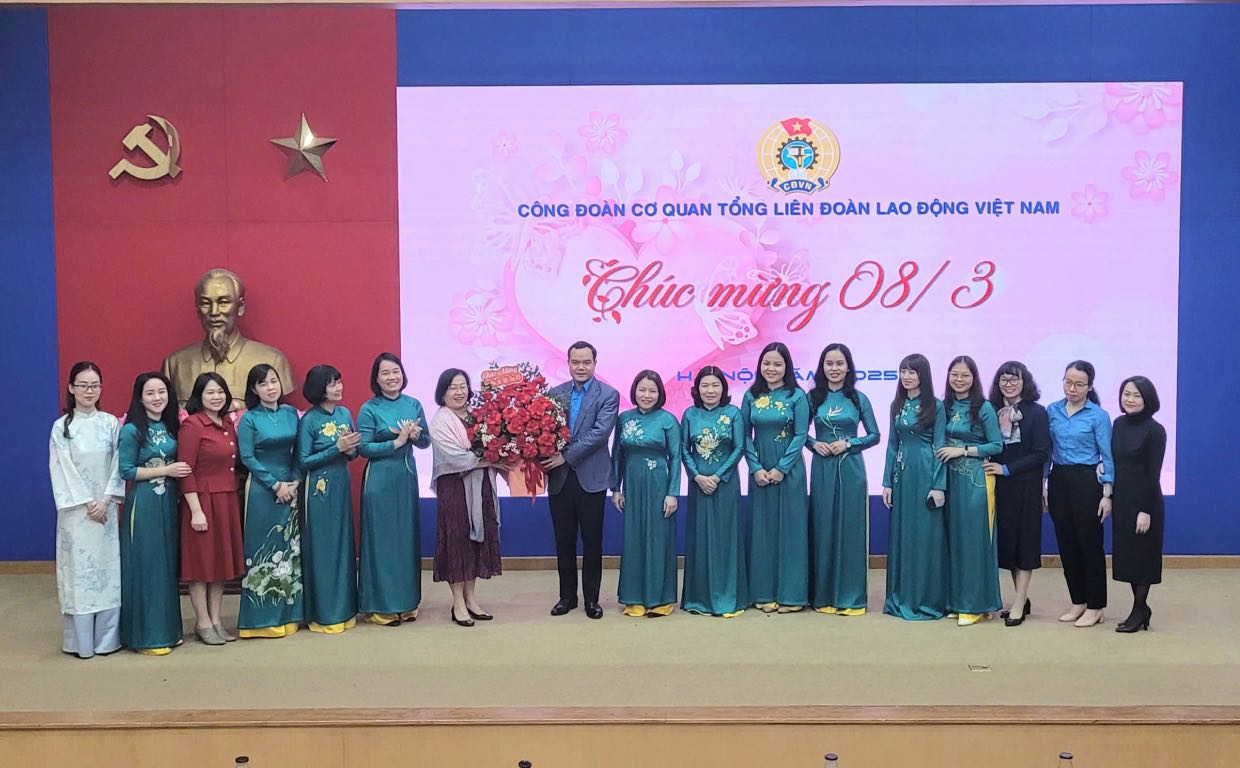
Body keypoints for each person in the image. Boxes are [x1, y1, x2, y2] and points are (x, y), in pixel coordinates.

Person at [48, 362, 125, 659]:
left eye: (94, 385)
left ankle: (107, 640)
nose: (89, 391)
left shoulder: (110, 423)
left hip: (104, 511)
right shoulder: (62, 427)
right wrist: (86, 503)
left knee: (107, 570)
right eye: (83, 385)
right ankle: (80, 642)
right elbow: (62, 469)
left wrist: (105, 500)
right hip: (76, 514)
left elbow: (119, 463)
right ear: (71, 388)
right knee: (79, 573)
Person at [543, 341, 620, 620]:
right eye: (576, 362)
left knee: (592, 542)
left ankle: (592, 600)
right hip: (560, 479)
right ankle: (567, 597)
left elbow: (600, 433)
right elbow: (545, 431)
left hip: (592, 478)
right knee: (563, 541)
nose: (581, 367)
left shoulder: (608, 394)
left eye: (586, 362)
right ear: (568, 363)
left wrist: (566, 456)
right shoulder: (555, 394)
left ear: (595, 364)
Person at [806, 343, 880, 616]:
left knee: (850, 530)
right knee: (823, 527)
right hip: (822, 468)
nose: (834, 369)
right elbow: (800, 433)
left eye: (839, 364)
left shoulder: (858, 398)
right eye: (829, 363)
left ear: (848, 367)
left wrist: (849, 443)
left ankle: (851, 597)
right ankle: (823, 595)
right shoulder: (812, 398)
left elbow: (874, 435)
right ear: (822, 367)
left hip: (851, 469)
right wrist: (814, 444)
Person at [118, 372, 189, 655]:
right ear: (140, 397)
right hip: (145, 504)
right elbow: (126, 470)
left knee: (167, 567)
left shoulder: (172, 426)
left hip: (169, 502)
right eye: (150, 393)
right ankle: (146, 636)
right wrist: (166, 471)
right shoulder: (133, 429)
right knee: (148, 567)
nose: (157, 398)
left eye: (162, 391)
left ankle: (169, 631)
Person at [357, 353, 430, 626]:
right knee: (383, 542)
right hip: (379, 481)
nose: (392, 377)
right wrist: (397, 442)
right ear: (376, 379)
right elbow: (362, 447)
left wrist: (415, 436)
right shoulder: (369, 409)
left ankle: (407, 603)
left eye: (395, 371)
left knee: (405, 540)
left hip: (406, 479)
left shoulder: (413, 404)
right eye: (385, 373)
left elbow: (425, 442)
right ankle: (382, 606)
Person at [429, 369, 504, 627]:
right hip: (454, 488)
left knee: (476, 541)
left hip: (480, 486)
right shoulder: (440, 422)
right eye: (452, 387)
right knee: (458, 542)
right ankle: (457, 603)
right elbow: (456, 458)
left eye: (462, 386)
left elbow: (494, 444)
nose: (459, 392)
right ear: (443, 392)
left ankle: (471, 599)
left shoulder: (478, 416)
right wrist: (487, 460)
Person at [740, 342, 810, 612]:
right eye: (766, 363)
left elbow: (801, 434)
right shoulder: (750, 396)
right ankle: (763, 593)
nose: (771, 368)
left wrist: (782, 468)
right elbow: (744, 434)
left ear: (786, 367)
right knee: (763, 531)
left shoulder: (797, 396)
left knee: (790, 531)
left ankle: (792, 596)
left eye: (777, 364)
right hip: (759, 471)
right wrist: (755, 467)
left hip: (789, 470)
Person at [162, 268, 294, 409]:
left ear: (240, 307)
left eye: (223, 302)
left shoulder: (272, 360)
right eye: (205, 303)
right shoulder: (175, 364)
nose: (214, 312)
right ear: (197, 309)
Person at [236, 364, 303, 639]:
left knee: (289, 550)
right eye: (263, 384)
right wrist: (275, 484)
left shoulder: (290, 414)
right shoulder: (249, 419)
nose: (270, 388)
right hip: (263, 490)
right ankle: (260, 619)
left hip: (290, 486)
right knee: (264, 549)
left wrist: (295, 480)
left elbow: (300, 450)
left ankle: (289, 614)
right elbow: (247, 457)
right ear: (254, 389)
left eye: (274, 381)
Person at [1046, 360, 1114, 628]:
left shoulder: (1098, 416)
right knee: (1066, 543)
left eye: (1079, 384)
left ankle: (1096, 606)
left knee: (1090, 544)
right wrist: (1044, 482)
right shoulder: (1052, 411)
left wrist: (1107, 493)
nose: (1072, 388)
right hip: (1059, 478)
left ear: (1090, 386)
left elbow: (1107, 456)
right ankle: (1078, 601)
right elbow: (1046, 450)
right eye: (1068, 382)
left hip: (1087, 480)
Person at [179, 372, 245, 645]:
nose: (216, 397)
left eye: (220, 392)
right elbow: (186, 470)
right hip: (202, 501)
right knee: (200, 565)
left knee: (219, 563)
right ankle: (202, 622)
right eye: (210, 393)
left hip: (226, 500)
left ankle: (216, 619)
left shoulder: (228, 423)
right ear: (199, 396)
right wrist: (196, 510)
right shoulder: (193, 425)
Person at [983, 361, 1050, 628]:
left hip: (1026, 484)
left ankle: (1020, 602)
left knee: (1025, 543)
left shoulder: (1037, 412)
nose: (1008, 384)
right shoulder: (992, 410)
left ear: (1026, 382)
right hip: (1001, 486)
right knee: (1009, 543)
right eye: (1003, 379)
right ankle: (1022, 596)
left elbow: (1041, 452)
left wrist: (1007, 468)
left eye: (1014, 379)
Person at [937, 356, 1003, 626]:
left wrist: (963, 450)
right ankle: (957, 601)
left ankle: (977, 605)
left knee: (976, 543)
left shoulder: (984, 407)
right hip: (950, 481)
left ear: (974, 378)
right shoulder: (943, 406)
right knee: (954, 542)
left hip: (977, 481)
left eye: (965, 375)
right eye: (954, 374)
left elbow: (997, 446)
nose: (959, 380)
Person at [881, 353, 948, 620]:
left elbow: (940, 445)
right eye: (903, 371)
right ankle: (900, 597)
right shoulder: (896, 404)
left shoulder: (936, 405)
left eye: (912, 372)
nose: (906, 376)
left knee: (925, 537)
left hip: (926, 472)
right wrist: (886, 481)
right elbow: (891, 444)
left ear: (923, 375)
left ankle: (925, 599)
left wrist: (939, 485)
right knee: (902, 535)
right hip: (901, 474)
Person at [297, 365, 361, 634]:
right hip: (318, 490)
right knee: (322, 549)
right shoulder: (309, 420)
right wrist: (336, 448)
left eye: (339, 382)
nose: (338, 388)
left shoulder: (345, 413)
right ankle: (323, 613)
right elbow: (303, 461)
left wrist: (348, 449)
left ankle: (345, 609)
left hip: (341, 485)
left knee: (343, 545)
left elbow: (353, 455)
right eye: (332, 384)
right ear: (318, 388)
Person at [612, 371, 681, 617]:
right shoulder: (623, 419)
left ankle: (661, 599)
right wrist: (615, 489)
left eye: (652, 390)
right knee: (634, 539)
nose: (647, 395)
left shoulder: (669, 420)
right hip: (632, 485)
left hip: (660, 487)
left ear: (660, 393)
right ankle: (635, 598)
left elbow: (676, 458)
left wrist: (673, 493)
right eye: (642, 390)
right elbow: (617, 455)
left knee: (658, 539)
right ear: (634, 391)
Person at [680, 366, 748, 617]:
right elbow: (684, 449)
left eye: (715, 385)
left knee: (726, 538)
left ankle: (728, 597)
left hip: (726, 484)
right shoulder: (689, 414)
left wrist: (718, 477)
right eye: (705, 386)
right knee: (700, 538)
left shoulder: (733, 414)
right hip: (698, 485)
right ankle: (698, 598)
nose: (710, 390)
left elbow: (739, 448)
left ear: (724, 388)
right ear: (697, 389)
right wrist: (697, 476)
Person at [1111, 376, 1166, 633]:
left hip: (1146, 502)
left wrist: (1145, 510)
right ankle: (1140, 609)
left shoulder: (1155, 430)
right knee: (1128, 557)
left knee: (1143, 558)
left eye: (1136, 395)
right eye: (1126, 394)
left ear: (1147, 399)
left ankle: (1139, 609)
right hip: (1122, 500)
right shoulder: (1118, 424)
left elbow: (1153, 473)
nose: (1129, 400)